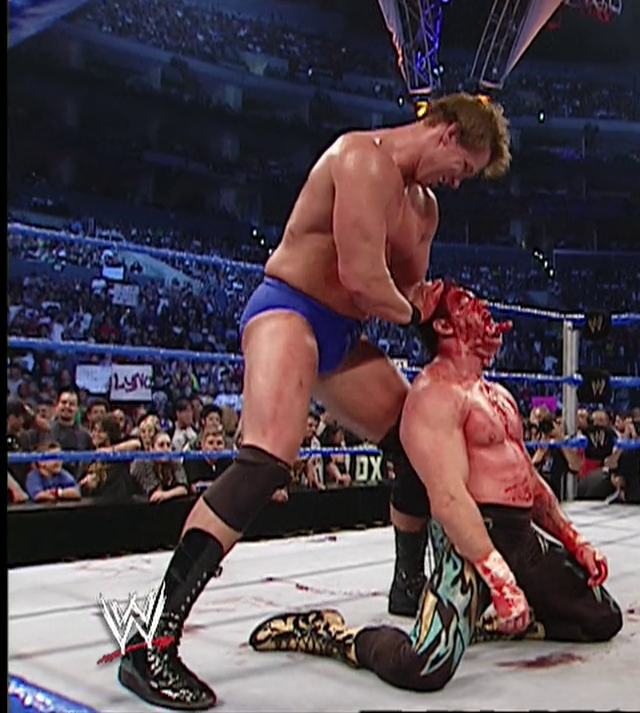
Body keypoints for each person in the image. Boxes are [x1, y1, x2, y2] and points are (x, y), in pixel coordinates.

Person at [118, 94, 513, 711]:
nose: (458, 181)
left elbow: (409, 290)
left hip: (342, 336)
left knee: (414, 442)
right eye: (462, 166)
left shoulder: (425, 208)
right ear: (444, 132)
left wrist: (443, 321)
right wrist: (423, 314)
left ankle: (407, 584)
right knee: (265, 463)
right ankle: (150, 644)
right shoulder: (361, 158)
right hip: (290, 310)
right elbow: (364, 280)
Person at [246, 283, 622, 692]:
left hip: (521, 536)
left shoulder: (498, 395)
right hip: (470, 542)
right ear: (443, 326)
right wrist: (499, 578)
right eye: (466, 304)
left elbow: (528, 480)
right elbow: (447, 497)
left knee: (603, 619)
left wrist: (574, 540)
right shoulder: (433, 395)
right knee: (422, 667)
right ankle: (332, 634)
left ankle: (482, 623)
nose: (482, 308)